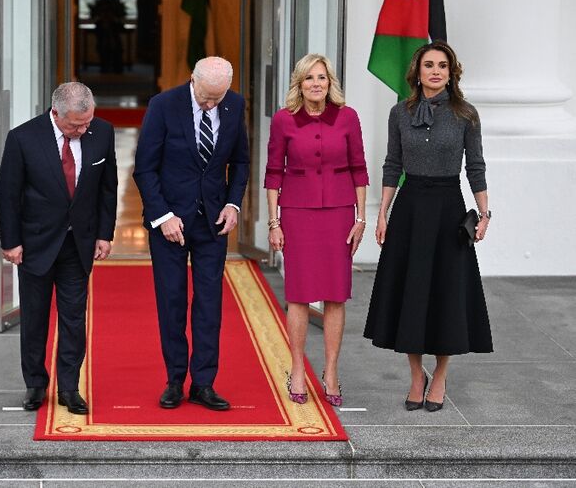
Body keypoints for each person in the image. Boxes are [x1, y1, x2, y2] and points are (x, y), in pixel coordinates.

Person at [363, 40, 493, 413]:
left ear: (451, 72)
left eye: (442, 66)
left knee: (446, 293)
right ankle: (416, 374)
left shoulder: (466, 114)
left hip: (449, 209)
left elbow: (476, 167)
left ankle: (440, 375)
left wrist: (484, 214)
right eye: (428, 65)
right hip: (410, 209)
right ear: (417, 72)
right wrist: (383, 212)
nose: (435, 71)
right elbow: (392, 163)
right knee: (412, 292)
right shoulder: (399, 113)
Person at [133, 56, 250, 411]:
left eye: (218, 98)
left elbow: (240, 161)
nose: (212, 104)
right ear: (192, 81)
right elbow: (144, 168)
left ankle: (203, 383)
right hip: (170, 222)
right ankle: (174, 380)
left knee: (209, 304)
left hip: (212, 221)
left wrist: (233, 205)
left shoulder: (234, 104)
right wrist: (163, 216)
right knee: (172, 302)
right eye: (206, 98)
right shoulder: (163, 105)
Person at [0, 82, 117, 415]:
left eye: (87, 122)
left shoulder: (102, 132)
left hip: (77, 244)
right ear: (55, 114)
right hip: (34, 244)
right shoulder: (23, 138)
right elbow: (8, 194)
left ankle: (69, 387)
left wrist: (104, 233)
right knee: (34, 319)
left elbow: (108, 187)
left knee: (74, 320)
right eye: (75, 125)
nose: (82, 129)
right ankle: (35, 385)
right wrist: (11, 242)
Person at [264, 53, 369, 407]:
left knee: (336, 294)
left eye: (322, 77)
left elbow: (359, 167)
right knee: (299, 294)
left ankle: (332, 370)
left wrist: (361, 217)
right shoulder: (283, 120)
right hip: (296, 213)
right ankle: (296, 369)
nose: (316, 84)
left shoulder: (348, 117)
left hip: (339, 213)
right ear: (299, 83)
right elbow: (273, 172)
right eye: (309, 78)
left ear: (330, 82)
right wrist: (274, 222)